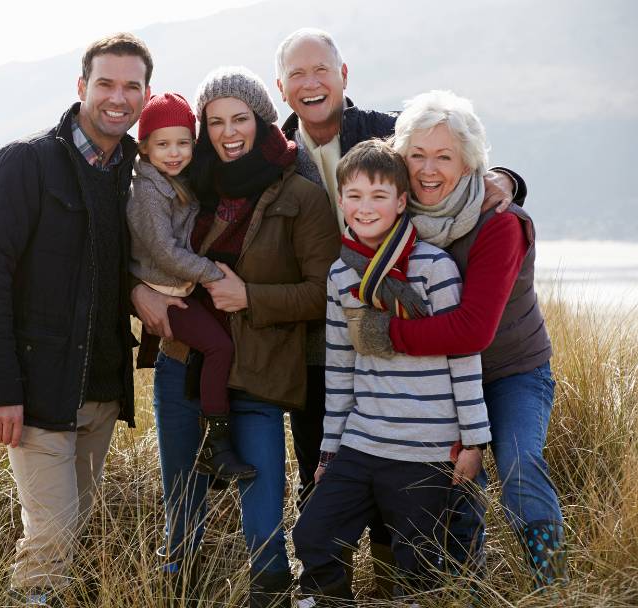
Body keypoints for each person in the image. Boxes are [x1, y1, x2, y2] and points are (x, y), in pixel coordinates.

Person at [273, 28, 522, 593]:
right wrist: (332, 448)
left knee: (418, 548)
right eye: (297, 74)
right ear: (282, 86)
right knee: (318, 526)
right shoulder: (278, 156)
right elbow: (342, 369)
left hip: (423, 426)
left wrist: (503, 178)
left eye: (322, 70)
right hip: (330, 358)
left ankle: (404, 591)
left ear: (343, 75)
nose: (311, 83)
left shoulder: (386, 138)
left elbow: (448, 148)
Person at [0, 33, 152, 607]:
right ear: (81, 87)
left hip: (103, 392)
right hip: (37, 396)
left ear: (145, 95)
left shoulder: (135, 175)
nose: (118, 97)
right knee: (50, 545)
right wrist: (0, 391)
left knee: (67, 535)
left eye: (131, 86)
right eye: (105, 83)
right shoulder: (23, 165)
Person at [131, 66, 338, 607]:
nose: (228, 132)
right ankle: (179, 583)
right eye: (215, 121)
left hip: (262, 361)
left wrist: (251, 298)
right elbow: (141, 248)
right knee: (181, 487)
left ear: (262, 118)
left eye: (240, 118)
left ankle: (269, 587)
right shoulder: (187, 177)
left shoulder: (301, 191)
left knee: (262, 487)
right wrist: (136, 291)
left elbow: (323, 293)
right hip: (184, 356)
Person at [346, 90, 568, 588]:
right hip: (440, 376)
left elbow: (473, 328)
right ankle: (468, 588)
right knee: (454, 483)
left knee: (517, 463)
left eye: (444, 156)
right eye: (417, 155)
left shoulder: (501, 223)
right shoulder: (396, 222)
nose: (429, 169)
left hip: (512, 371)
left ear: (470, 164)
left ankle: (553, 583)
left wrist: (385, 334)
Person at [291, 139, 491, 604]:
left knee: (417, 562)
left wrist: (475, 440)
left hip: (425, 447)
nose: (365, 208)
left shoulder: (434, 269)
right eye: (355, 196)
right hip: (362, 441)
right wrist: (328, 452)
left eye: (379, 196)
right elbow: (341, 369)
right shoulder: (341, 275)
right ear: (340, 201)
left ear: (401, 202)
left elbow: (463, 357)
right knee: (313, 535)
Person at [127, 92, 255, 481]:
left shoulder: (177, 181)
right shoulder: (147, 191)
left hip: (178, 287)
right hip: (164, 291)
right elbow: (165, 253)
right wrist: (213, 274)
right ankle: (217, 446)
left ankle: (210, 441)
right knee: (219, 347)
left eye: (183, 142)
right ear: (144, 147)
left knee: (218, 346)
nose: (174, 152)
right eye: (163, 144)